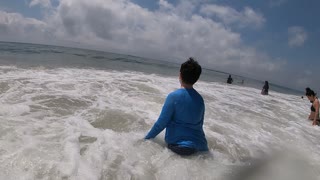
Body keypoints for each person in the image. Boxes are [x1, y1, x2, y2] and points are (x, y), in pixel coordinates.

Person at [145, 57, 208, 155]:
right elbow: (200, 125)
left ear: (180, 75)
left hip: (181, 148)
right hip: (202, 148)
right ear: (197, 79)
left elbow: (161, 123)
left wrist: (146, 139)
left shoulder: (174, 97)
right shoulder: (200, 100)